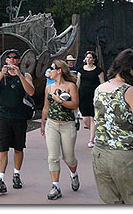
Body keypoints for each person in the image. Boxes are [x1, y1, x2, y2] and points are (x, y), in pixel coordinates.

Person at [92, 49, 133, 204]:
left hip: (100, 154)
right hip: (125, 156)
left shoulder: (99, 89)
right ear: (129, 69)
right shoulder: (129, 91)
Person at [0, 49, 35, 194]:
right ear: (6, 60)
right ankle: (0, 178)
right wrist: (2, 74)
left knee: (19, 148)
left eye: (15, 58)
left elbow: (31, 91)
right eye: (10, 58)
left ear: (19, 60)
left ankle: (16, 174)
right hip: (4, 116)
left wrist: (19, 75)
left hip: (19, 117)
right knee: (2, 148)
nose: (12, 60)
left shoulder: (25, 75)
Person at [40, 60, 80, 200]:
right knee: (53, 157)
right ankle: (55, 186)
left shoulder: (70, 86)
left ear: (59, 70)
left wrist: (60, 100)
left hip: (67, 124)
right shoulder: (48, 88)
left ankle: (74, 175)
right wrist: (43, 123)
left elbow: (75, 104)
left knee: (69, 158)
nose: (49, 71)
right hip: (52, 124)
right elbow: (46, 107)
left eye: (52, 68)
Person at [77, 51, 104, 147]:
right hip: (83, 96)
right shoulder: (81, 70)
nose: (88, 59)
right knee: (85, 118)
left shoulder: (98, 70)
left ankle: (91, 139)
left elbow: (102, 83)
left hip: (94, 96)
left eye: (90, 57)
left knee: (93, 117)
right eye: (87, 57)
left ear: (94, 59)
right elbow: (78, 83)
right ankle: (94, 132)